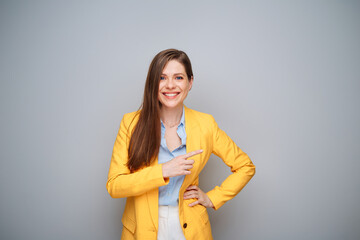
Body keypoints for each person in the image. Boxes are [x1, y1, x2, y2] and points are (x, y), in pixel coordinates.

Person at [106, 49, 256, 240]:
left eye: (178, 77)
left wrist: (212, 198)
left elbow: (245, 166)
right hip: (140, 228)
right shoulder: (131, 123)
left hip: (190, 228)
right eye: (162, 78)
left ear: (190, 82)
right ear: (153, 83)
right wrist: (163, 171)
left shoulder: (205, 124)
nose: (170, 85)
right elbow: (115, 185)